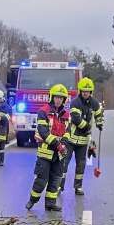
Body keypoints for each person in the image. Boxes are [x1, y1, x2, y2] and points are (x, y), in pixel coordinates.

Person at [26, 83, 71, 212]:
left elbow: (68, 132)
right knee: (41, 180)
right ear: (51, 97)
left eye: (61, 98)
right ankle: (32, 200)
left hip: (59, 154)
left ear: (64, 100)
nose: (58, 100)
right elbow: (43, 131)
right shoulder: (43, 112)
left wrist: (64, 143)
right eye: (56, 97)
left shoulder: (66, 115)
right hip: (45, 153)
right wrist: (58, 145)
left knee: (55, 180)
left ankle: (50, 204)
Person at [63, 77, 105, 196]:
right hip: (70, 139)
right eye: (83, 91)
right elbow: (76, 119)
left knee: (81, 165)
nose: (85, 93)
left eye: (88, 91)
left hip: (83, 141)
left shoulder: (95, 103)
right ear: (80, 91)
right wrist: (87, 127)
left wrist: (100, 123)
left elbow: (98, 114)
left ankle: (78, 187)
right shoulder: (75, 102)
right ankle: (59, 186)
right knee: (64, 163)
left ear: (91, 92)